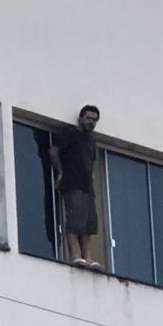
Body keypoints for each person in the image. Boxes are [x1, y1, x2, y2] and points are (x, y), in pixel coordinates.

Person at [49, 105, 100, 267]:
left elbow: (91, 163)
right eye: (88, 118)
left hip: (87, 186)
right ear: (81, 118)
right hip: (73, 183)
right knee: (75, 220)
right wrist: (60, 172)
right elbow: (53, 151)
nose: (91, 122)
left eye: (94, 119)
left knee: (89, 224)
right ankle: (75, 255)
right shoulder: (70, 134)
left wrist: (91, 177)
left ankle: (87, 257)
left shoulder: (91, 141)